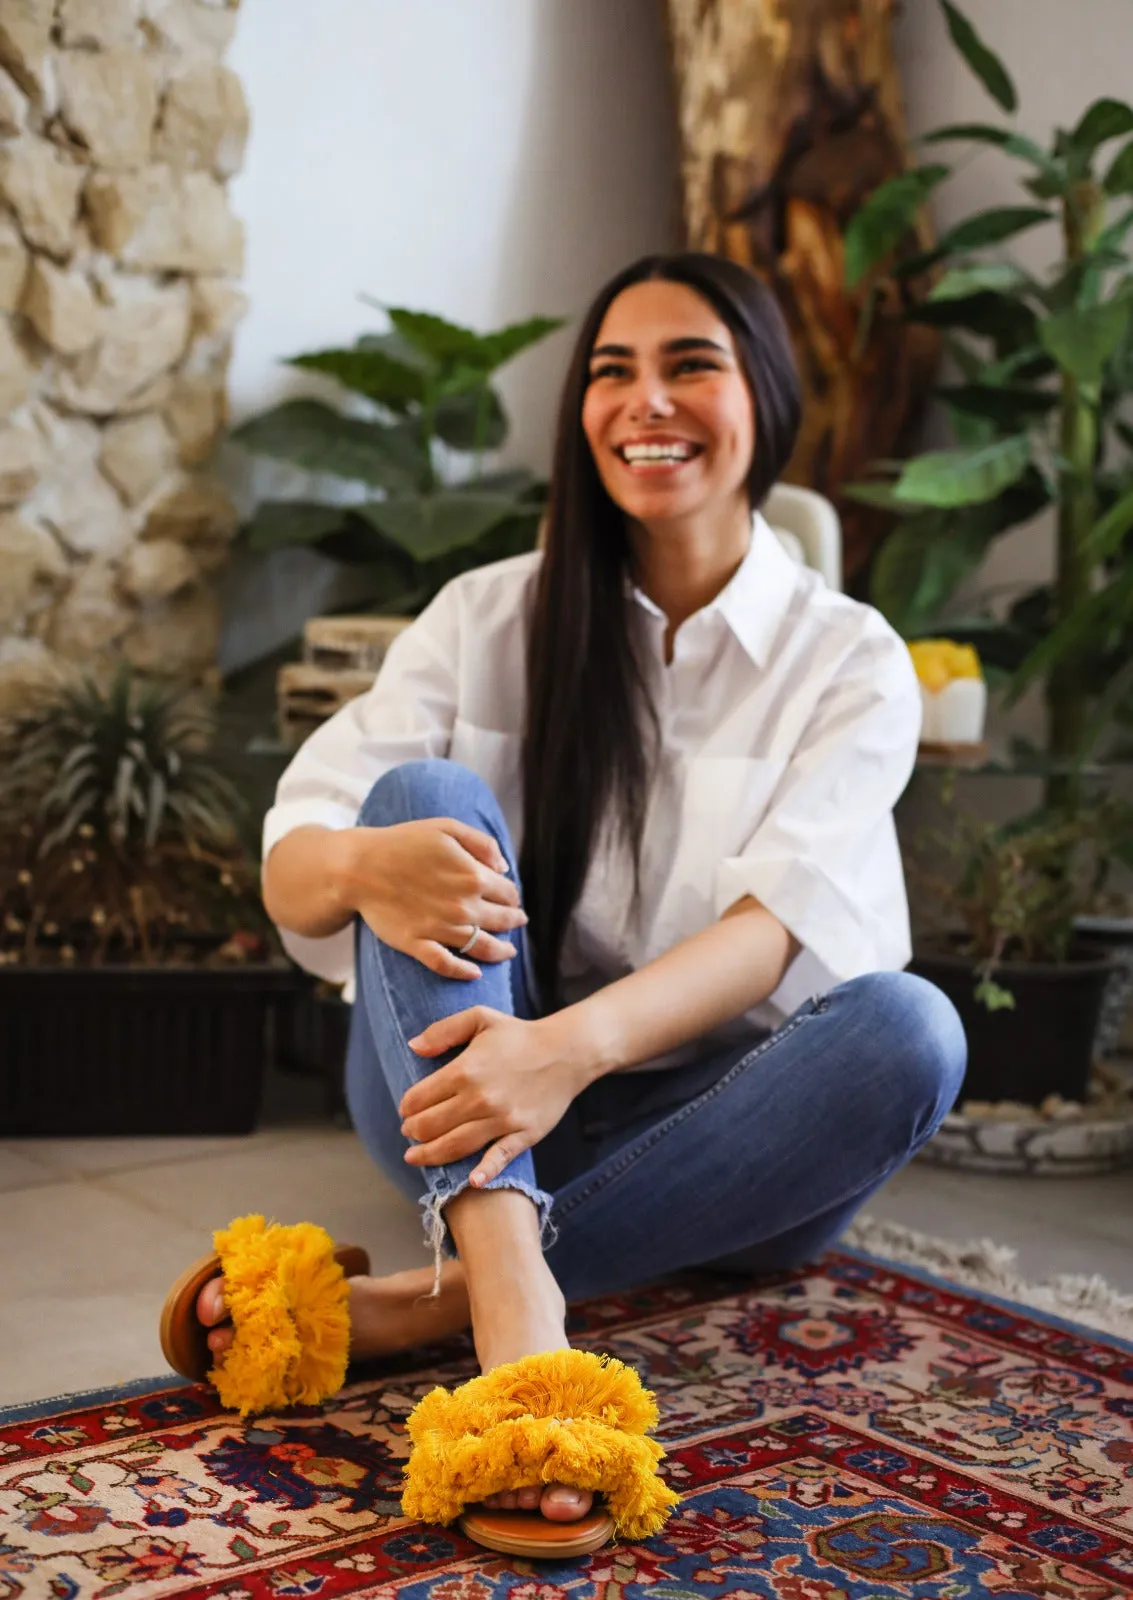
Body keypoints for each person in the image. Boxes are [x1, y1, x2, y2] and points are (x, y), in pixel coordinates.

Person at [194, 252, 966, 1529]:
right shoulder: (486, 615)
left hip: (732, 1138)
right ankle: (514, 1321)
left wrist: (557, 1055)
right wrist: (362, 864)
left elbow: (774, 938)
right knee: (416, 801)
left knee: (913, 1030)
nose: (642, 402)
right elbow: (298, 844)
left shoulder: (851, 661)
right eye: (611, 373)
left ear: (765, 399)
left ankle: (415, 1301)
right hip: (452, 1090)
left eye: (689, 366)